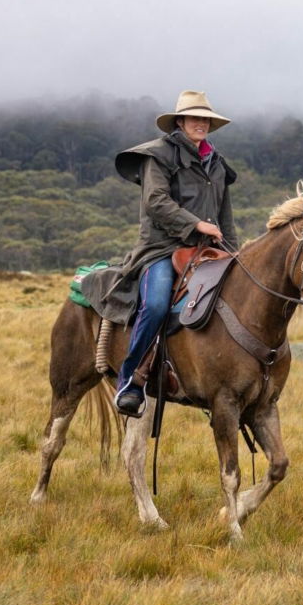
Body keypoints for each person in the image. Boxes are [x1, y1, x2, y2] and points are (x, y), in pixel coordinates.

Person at [81, 90, 238, 416]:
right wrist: (197, 225)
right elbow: (156, 202)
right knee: (154, 304)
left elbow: (225, 218)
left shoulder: (217, 164)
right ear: (179, 121)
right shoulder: (158, 156)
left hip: (208, 252)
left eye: (206, 119)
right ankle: (131, 381)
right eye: (195, 118)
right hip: (162, 249)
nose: (201, 123)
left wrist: (233, 254)